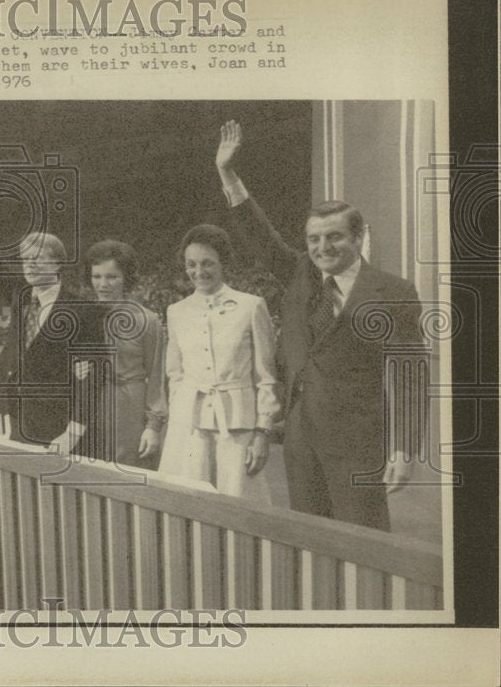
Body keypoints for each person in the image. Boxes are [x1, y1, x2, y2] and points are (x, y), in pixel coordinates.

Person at [214, 120, 422, 529]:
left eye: (334, 237)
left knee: (364, 541)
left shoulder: (394, 291)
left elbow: (409, 375)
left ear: (358, 237)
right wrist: (227, 173)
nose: (322, 248)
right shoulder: (300, 275)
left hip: (359, 443)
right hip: (301, 438)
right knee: (313, 540)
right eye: (313, 240)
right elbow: (260, 236)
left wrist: (403, 450)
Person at [158, 224, 280, 501]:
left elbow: (266, 377)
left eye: (207, 263)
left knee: (239, 505)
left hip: (237, 428)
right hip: (189, 427)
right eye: (191, 264)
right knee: (189, 504)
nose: (199, 272)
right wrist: (179, 420)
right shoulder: (177, 311)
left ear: (223, 263)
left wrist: (262, 433)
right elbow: (174, 374)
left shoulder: (251, 306)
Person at [0, 230, 108, 454]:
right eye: (25, 259)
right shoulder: (21, 297)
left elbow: (93, 378)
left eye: (37, 258)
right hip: (16, 413)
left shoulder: (85, 311)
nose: (29, 265)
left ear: (58, 263)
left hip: (55, 421)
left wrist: (73, 432)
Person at [84, 239, 166, 469]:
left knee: (129, 476)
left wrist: (153, 426)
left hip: (129, 406)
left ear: (126, 278)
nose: (103, 284)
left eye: (112, 277)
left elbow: (158, 378)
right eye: (97, 276)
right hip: (88, 406)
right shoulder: (81, 316)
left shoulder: (146, 320)